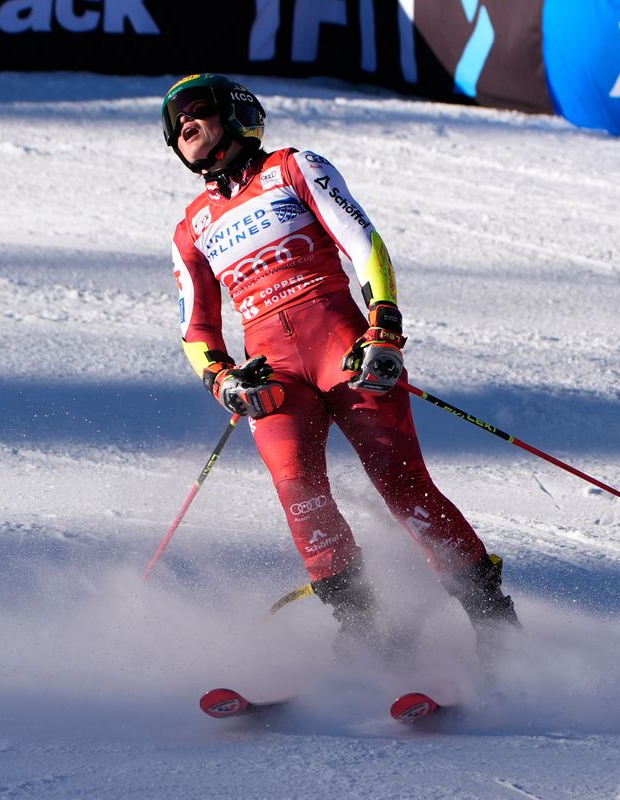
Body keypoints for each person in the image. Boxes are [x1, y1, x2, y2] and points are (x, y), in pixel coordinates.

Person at [162, 73, 519, 662]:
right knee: (298, 493)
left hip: (345, 350)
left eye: (197, 110)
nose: (186, 125)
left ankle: (494, 622)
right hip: (273, 376)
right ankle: (365, 629)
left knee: (401, 482)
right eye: (175, 125)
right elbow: (195, 328)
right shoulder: (190, 228)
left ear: (237, 113)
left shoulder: (292, 168)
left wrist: (384, 325)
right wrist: (222, 379)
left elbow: (363, 243)